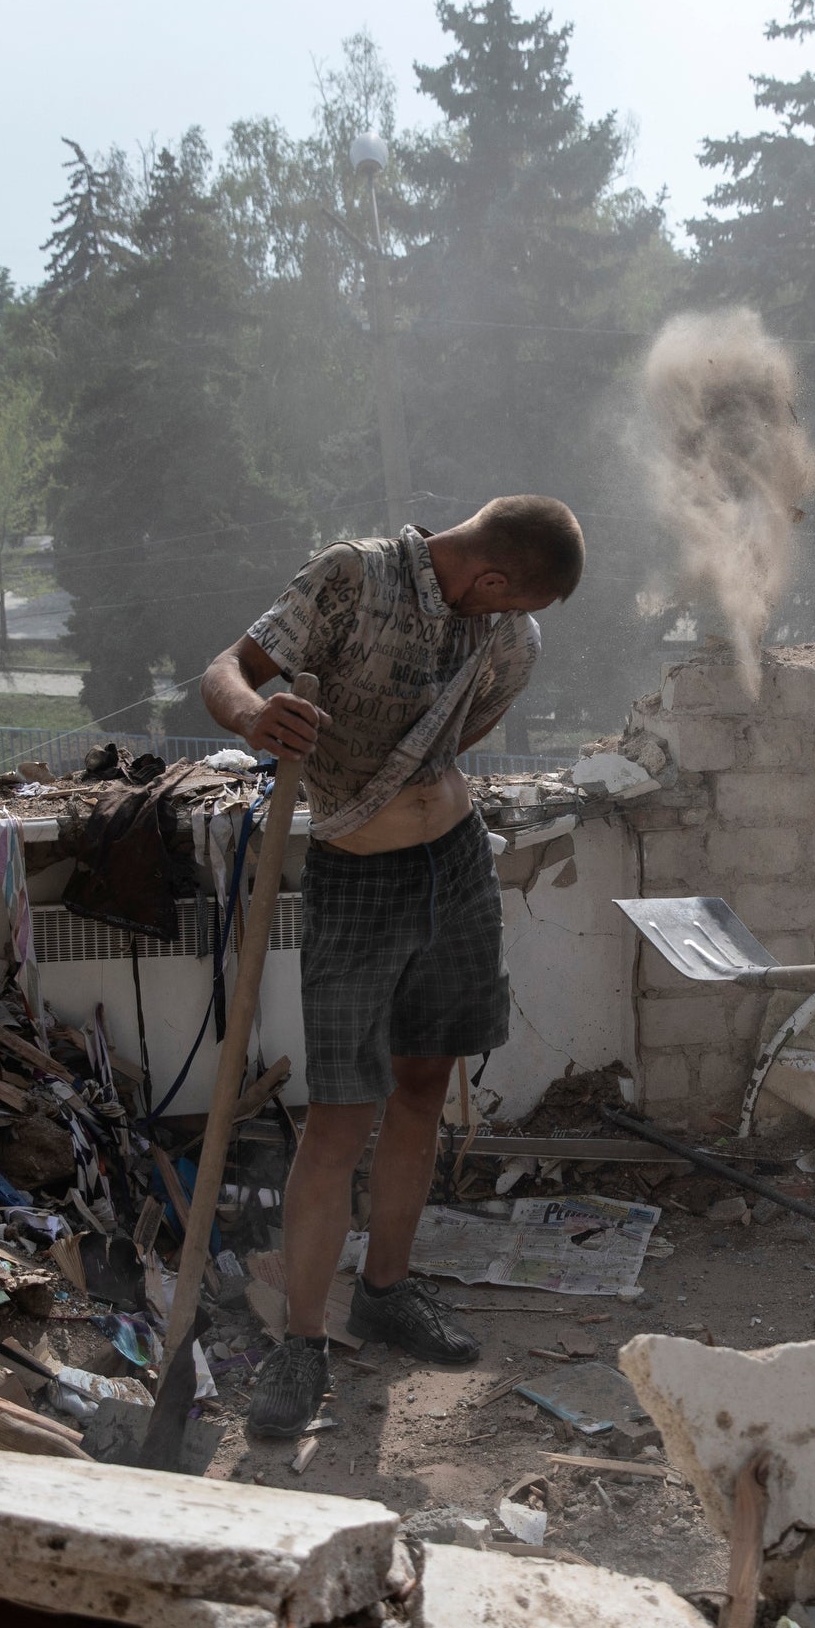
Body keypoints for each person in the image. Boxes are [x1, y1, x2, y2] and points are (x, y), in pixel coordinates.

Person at [200, 497, 586, 1441]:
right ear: (490, 576)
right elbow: (227, 667)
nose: (512, 620)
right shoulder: (353, 577)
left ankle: (386, 1291)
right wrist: (258, 715)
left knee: (423, 1080)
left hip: (454, 863)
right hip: (355, 878)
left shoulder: (504, 638)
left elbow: (454, 741)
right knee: (340, 1114)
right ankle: (302, 1343)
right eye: (512, 601)